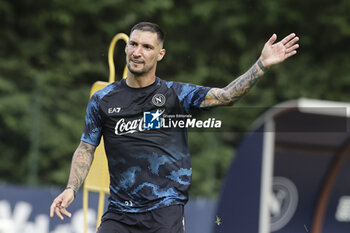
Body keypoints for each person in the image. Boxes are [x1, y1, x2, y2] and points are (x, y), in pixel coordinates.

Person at [50, 22, 299, 232]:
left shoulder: (175, 94)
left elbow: (226, 96)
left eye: (147, 47)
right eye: (134, 44)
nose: (137, 52)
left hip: (164, 212)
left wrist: (262, 64)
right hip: (119, 213)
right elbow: (86, 147)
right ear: (126, 47)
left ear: (160, 54)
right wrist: (71, 188)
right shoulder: (102, 99)